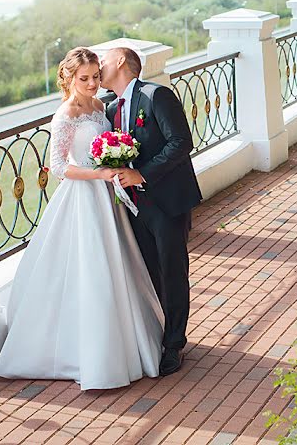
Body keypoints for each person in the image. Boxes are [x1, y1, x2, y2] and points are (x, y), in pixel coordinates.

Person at [0, 47, 163, 390]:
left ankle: (128, 343)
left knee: (119, 264)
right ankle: (90, 354)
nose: (91, 83)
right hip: (84, 197)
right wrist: (97, 174)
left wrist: (116, 162)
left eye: (95, 77)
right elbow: (58, 167)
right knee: (91, 268)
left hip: (108, 197)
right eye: (83, 78)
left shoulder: (101, 107)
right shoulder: (65, 114)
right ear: (68, 78)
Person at [100, 47, 202, 376]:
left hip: (167, 200)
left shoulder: (156, 95)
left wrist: (143, 174)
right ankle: (157, 332)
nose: (99, 65)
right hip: (131, 206)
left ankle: (174, 343)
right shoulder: (111, 108)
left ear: (120, 62)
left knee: (172, 271)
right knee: (148, 271)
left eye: (103, 60)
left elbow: (180, 142)